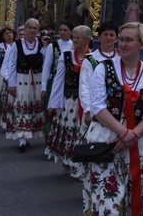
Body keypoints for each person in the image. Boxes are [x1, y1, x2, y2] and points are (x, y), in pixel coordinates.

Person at [83, 22, 143, 215]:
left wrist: (131, 135)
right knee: (106, 202)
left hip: (137, 142)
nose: (123, 44)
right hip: (106, 138)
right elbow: (98, 107)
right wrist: (123, 132)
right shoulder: (103, 68)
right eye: (122, 39)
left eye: (129, 40)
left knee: (133, 196)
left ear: (142, 44)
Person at [45, 24, 92, 177]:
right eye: (75, 37)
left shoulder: (93, 58)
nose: (76, 40)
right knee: (68, 131)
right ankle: (68, 160)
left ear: (87, 40)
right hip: (69, 100)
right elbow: (58, 80)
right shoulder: (65, 56)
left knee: (82, 132)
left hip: (85, 101)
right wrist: (53, 103)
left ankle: (79, 163)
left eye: (79, 37)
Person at [1, 18, 44, 152]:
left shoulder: (42, 44)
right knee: (21, 107)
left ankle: (29, 134)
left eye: (34, 28)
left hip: (37, 79)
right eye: (29, 28)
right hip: (21, 78)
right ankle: (22, 139)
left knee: (33, 107)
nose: (32, 30)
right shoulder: (17, 44)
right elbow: (12, 64)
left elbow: (45, 63)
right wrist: (11, 84)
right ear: (24, 29)